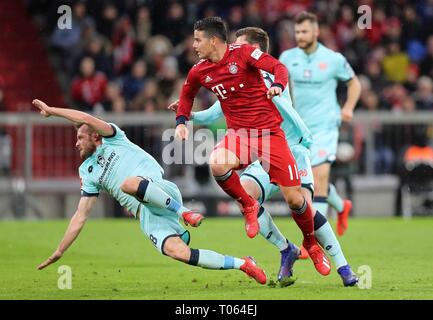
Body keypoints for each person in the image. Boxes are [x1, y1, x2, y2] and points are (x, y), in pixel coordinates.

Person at [169, 27, 358, 286]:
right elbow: (216, 109)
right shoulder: (227, 74)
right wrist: (187, 116)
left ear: (255, 48)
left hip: (289, 146)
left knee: (299, 203)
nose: (233, 48)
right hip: (253, 146)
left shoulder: (263, 74)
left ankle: (343, 267)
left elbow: (277, 86)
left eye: (238, 44)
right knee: (245, 192)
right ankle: (286, 249)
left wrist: (298, 124)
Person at [32, 99, 267, 285]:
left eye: (80, 137)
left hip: (157, 187)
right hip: (146, 213)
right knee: (178, 252)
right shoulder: (87, 171)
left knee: (128, 184)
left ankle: (185, 213)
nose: (76, 143)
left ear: (95, 135)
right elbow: (80, 215)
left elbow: (84, 117)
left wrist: (52, 111)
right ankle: (244, 264)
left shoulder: (114, 138)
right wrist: (59, 250)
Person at [279, 12, 361, 236]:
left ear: (316, 32)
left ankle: (314, 238)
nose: (300, 36)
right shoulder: (287, 57)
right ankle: (342, 206)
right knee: (306, 182)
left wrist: (348, 108)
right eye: (297, 32)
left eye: (304, 31)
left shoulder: (333, 59)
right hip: (299, 128)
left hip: (325, 125)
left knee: (320, 177)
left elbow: (354, 84)